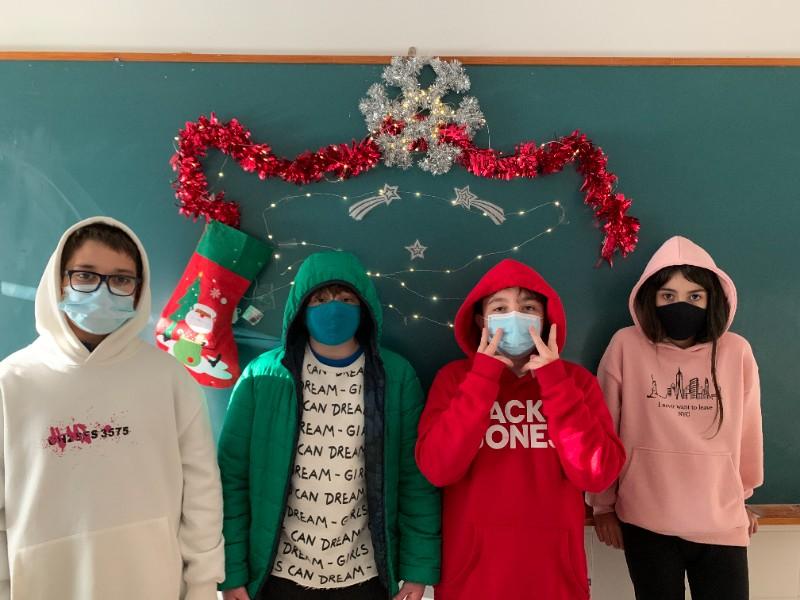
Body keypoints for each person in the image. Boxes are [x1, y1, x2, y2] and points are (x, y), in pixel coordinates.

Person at [0, 216, 224, 599]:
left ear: (138, 290)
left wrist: (203, 582)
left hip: (152, 580)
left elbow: (202, 490)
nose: (103, 291)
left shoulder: (168, 378)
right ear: (58, 280)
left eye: (121, 279)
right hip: (44, 583)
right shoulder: (11, 382)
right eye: (85, 275)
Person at [218, 251, 440, 600]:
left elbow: (415, 480)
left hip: (366, 577)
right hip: (276, 576)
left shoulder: (395, 376)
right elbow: (232, 478)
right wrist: (231, 574)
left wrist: (417, 571)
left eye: (346, 299)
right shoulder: (263, 376)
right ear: (301, 308)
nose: (333, 307)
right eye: (319, 299)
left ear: (364, 307)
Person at [416, 258, 625, 600]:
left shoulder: (576, 383)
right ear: (481, 321)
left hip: (555, 582)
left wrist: (554, 382)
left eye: (528, 308)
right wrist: (482, 378)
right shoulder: (454, 380)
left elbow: (597, 475)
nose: (514, 317)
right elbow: (438, 468)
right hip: (472, 583)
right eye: (500, 308)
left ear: (545, 320)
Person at [588, 236, 763, 600]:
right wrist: (602, 505)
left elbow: (749, 430)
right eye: (668, 295)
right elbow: (603, 427)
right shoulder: (625, 346)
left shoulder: (737, 351)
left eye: (695, 296)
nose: (681, 305)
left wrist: (742, 496)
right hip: (646, 521)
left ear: (712, 299)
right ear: (650, 299)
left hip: (721, 520)